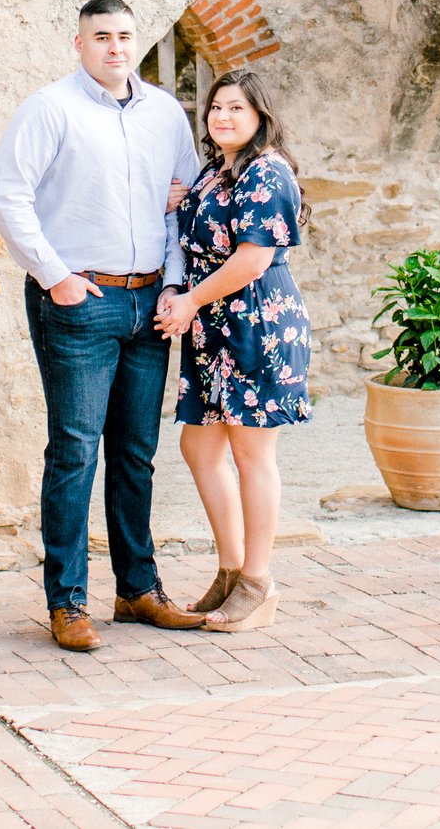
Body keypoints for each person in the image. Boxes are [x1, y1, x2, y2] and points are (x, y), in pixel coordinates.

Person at [0, 0, 206, 652]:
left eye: (125, 36)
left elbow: (179, 201)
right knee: (76, 449)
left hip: (149, 305)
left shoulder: (165, 112)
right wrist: (54, 273)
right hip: (81, 302)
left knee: (136, 453)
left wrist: (172, 282)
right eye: (101, 36)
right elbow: (4, 194)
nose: (115, 47)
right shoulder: (50, 108)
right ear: (76, 42)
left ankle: (138, 589)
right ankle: (68, 600)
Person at [155, 68, 312, 633]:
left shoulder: (268, 172)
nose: (223, 116)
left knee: (251, 456)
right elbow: (193, 226)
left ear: (259, 116)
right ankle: (230, 570)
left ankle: (259, 580)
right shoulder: (216, 172)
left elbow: (253, 259)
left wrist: (190, 300)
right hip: (212, 327)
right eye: (216, 107)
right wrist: (179, 199)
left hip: (257, 324)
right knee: (199, 449)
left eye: (236, 109)